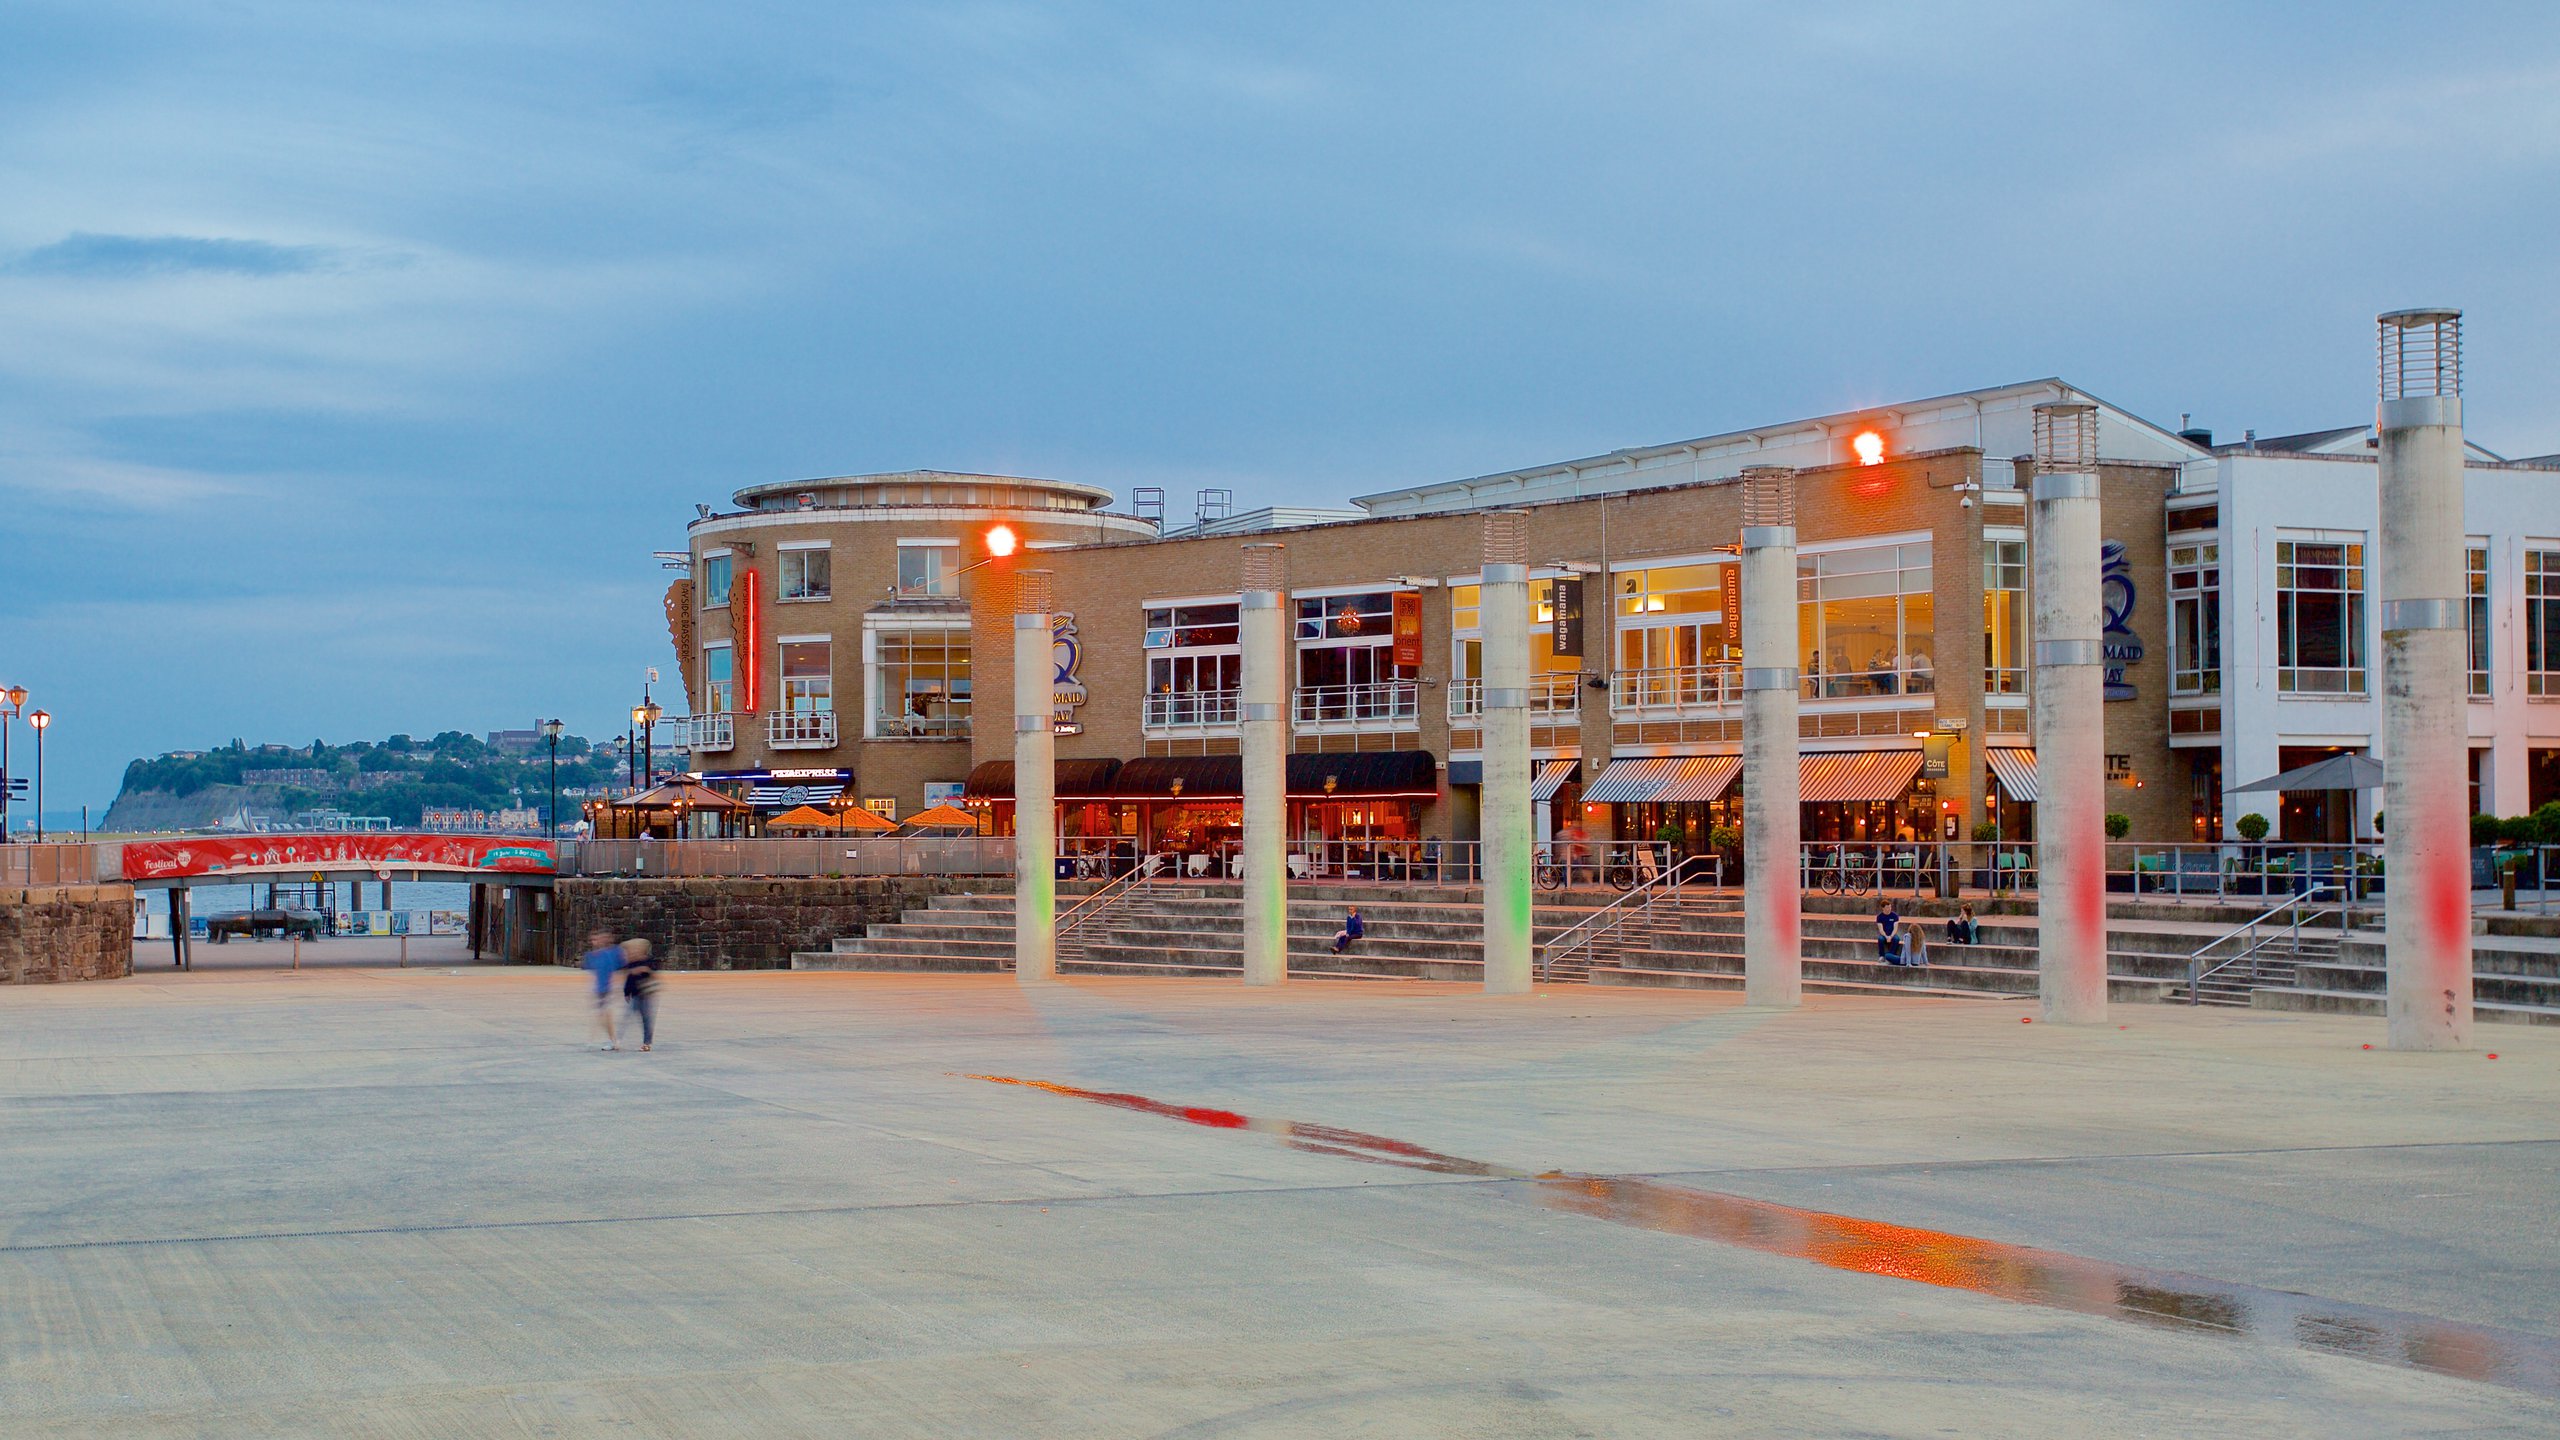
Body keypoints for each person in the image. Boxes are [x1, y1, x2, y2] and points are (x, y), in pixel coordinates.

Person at [581, 930, 625, 1050]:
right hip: (599, 988)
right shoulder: (592, 955)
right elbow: (593, 972)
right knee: (602, 1015)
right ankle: (612, 1040)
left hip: (608, 988)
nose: (596, 942)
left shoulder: (613, 952)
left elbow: (618, 970)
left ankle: (612, 1041)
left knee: (605, 1015)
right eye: (594, 940)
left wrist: (616, 987)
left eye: (598, 939)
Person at [621, 937, 660, 1051]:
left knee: (646, 1019)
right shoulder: (631, 963)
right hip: (635, 995)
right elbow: (629, 979)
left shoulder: (648, 961)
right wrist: (626, 992)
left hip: (646, 994)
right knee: (626, 1017)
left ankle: (647, 1043)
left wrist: (645, 969)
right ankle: (617, 1040)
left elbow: (653, 971)